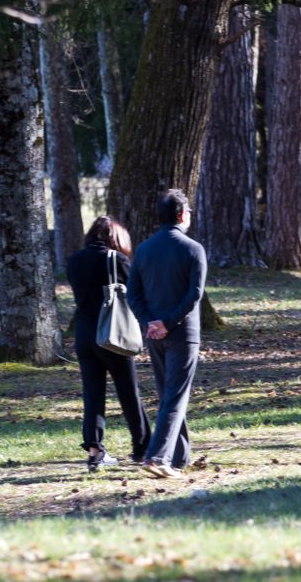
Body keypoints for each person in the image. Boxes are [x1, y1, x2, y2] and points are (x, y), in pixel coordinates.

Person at [127, 189, 207, 478]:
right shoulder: (193, 249)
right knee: (174, 396)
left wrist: (151, 322)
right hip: (182, 333)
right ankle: (157, 456)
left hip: (154, 334)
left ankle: (179, 457)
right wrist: (168, 322)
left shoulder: (144, 249)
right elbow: (194, 295)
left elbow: (132, 293)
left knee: (169, 395)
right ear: (182, 215)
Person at [66, 216, 152, 471]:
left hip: (84, 334)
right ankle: (143, 447)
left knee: (93, 394)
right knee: (128, 393)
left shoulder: (75, 261)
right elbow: (137, 293)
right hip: (113, 333)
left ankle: (94, 451)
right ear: (115, 237)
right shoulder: (116, 260)